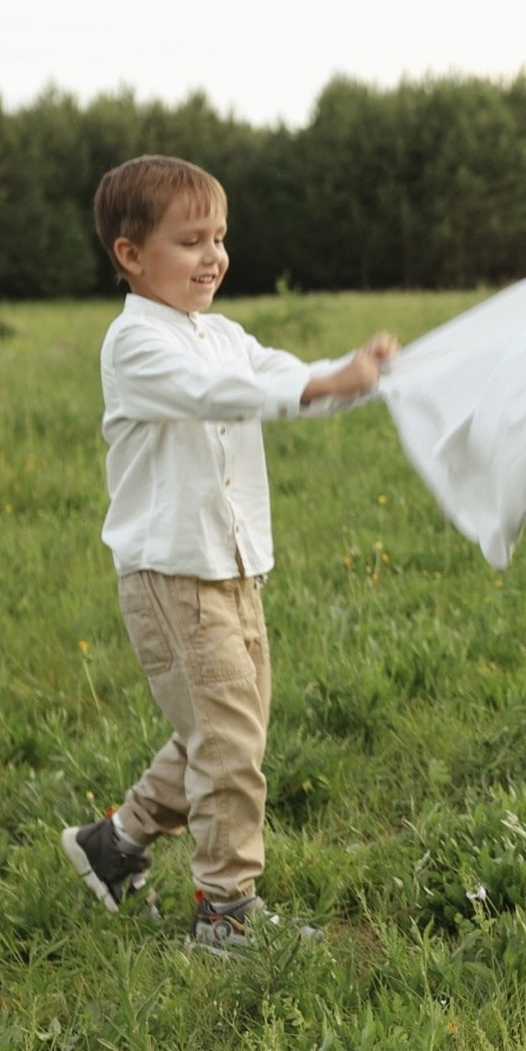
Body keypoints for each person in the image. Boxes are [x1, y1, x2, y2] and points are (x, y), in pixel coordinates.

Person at [58, 155, 399, 953]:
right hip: (174, 575)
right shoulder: (136, 343)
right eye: (190, 242)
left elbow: (285, 377)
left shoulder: (222, 335)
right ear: (130, 255)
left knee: (222, 731)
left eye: (219, 238)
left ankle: (113, 845)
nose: (213, 256)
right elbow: (217, 394)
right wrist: (320, 385)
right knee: (228, 742)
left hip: (234, 565)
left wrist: (354, 376)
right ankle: (225, 913)